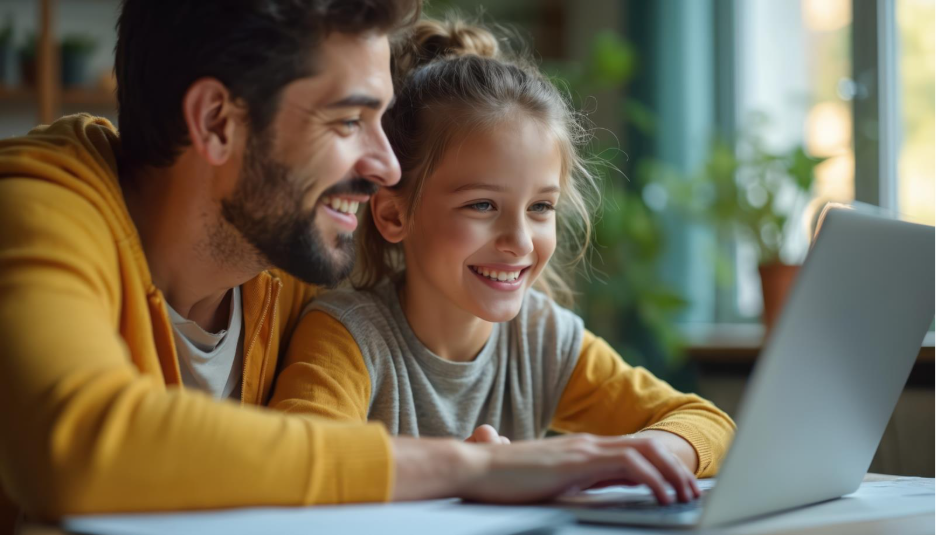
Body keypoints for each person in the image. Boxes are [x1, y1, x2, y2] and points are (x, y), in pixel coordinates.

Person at [0, 0, 724, 525]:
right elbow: (80, 446)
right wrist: (478, 465)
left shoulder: (286, 257)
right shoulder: (41, 205)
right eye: (349, 121)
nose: (384, 166)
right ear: (218, 122)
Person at [270, 18, 737, 505]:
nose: (519, 241)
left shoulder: (543, 338)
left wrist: (637, 455)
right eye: (482, 205)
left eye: (540, 208)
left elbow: (708, 423)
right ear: (392, 214)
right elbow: (303, 460)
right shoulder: (345, 336)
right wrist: (465, 472)